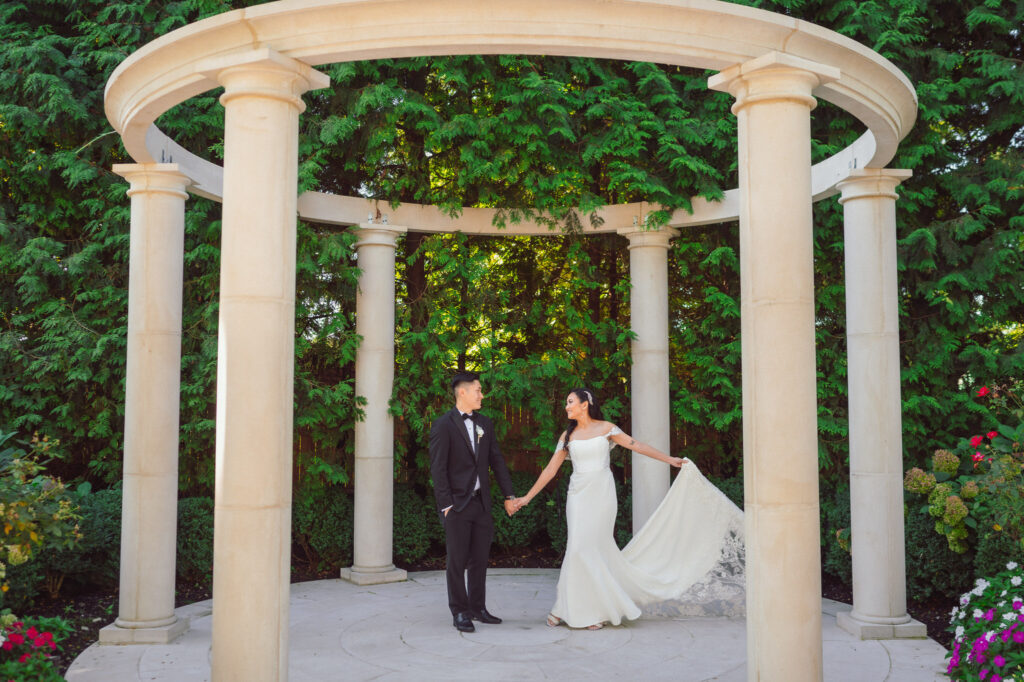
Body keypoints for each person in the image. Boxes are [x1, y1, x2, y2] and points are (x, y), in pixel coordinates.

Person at [512, 387, 744, 629]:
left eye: (570, 402)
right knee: (578, 547)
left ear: (584, 404)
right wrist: (527, 497)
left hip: (602, 495)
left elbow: (637, 446)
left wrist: (670, 460)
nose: (566, 406)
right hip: (578, 496)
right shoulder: (567, 436)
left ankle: (587, 610)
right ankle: (568, 608)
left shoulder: (606, 428)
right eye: (566, 403)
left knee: (592, 548)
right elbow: (550, 470)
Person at [429, 371, 518, 633]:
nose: (482, 394)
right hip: (456, 505)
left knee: (479, 559)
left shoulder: (485, 424)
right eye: (478, 390)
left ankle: (478, 608)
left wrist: (508, 494)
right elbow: (438, 469)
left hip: (481, 504)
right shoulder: (443, 425)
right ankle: (459, 611)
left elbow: (497, 462)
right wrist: (446, 505)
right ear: (463, 392)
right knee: (456, 561)